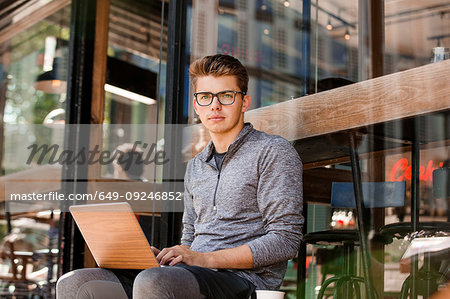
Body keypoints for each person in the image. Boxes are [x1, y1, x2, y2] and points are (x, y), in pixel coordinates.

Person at [56, 54, 303, 299]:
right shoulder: (196, 165)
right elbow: (189, 238)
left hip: (243, 280)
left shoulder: (272, 151)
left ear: (244, 102)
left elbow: (285, 239)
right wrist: (166, 255)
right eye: (206, 97)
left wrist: (203, 259)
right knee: (75, 282)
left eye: (226, 96)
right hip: (191, 272)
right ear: (197, 105)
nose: (215, 106)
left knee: (154, 281)